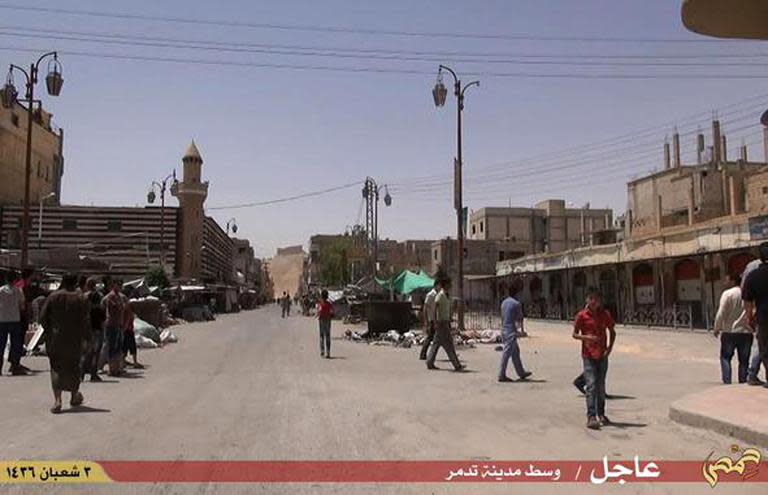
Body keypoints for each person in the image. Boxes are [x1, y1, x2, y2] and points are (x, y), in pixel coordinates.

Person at [39, 273, 90, 414]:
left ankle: (58, 400)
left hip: (56, 338)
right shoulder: (81, 299)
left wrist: (50, 330)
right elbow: (86, 321)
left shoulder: (53, 296)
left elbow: (42, 317)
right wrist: (87, 339)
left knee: (56, 367)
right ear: (76, 283)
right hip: (75, 339)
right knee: (74, 366)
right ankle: (74, 396)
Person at [573, 288, 616, 430]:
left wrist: (610, 348)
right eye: (591, 298)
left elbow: (612, 331)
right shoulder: (581, 316)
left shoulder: (605, 314)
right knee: (591, 385)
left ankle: (601, 413)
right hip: (588, 355)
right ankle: (591, 416)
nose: (593, 301)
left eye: (596, 298)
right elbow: (574, 334)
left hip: (602, 355)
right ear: (587, 299)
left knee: (601, 386)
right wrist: (587, 338)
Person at [714, 273, 752, 384]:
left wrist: (717, 327)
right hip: (746, 331)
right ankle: (743, 382)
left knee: (725, 357)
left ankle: (727, 382)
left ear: (732, 281)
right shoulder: (747, 293)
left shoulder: (727, 294)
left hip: (729, 331)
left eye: (727, 280)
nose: (725, 283)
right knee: (744, 361)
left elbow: (721, 312)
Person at [742, 242, 768, 389]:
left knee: (764, 347)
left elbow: (747, 299)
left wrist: (749, 317)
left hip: (763, 317)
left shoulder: (753, 275)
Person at [426, 278, 465, 371]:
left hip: (445, 322)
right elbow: (435, 308)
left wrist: (450, 318)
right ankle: (457, 365)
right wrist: (435, 321)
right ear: (445, 285)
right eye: (449, 284)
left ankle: (430, 362)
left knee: (436, 344)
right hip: (441, 323)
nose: (450, 286)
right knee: (449, 344)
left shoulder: (447, 295)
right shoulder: (440, 295)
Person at [498, 279, 533, 382]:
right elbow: (520, 319)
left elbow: (503, 317)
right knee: (507, 353)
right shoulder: (516, 304)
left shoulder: (504, 302)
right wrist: (521, 332)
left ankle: (521, 372)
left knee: (515, 352)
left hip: (504, 329)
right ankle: (501, 374)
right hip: (511, 331)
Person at [0, 272, 26, 376]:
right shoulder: (18, 290)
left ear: (6, 280)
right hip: (15, 319)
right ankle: (15, 367)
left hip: (2, 320)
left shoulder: (1, 290)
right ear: (15, 280)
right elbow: (22, 306)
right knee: (15, 344)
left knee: (1, 344)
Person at [81, 277, 105, 382]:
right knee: (96, 352)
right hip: (97, 326)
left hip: (86, 327)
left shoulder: (83, 297)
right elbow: (102, 312)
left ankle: (81, 374)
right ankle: (93, 374)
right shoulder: (99, 296)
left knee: (85, 351)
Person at [11, 268, 34, 374]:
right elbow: (23, 303)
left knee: (18, 340)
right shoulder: (22, 286)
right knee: (18, 341)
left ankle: (15, 362)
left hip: (19, 316)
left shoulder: (23, 285)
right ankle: (15, 363)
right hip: (20, 317)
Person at [101, 278, 125, 377]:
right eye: (118, 284)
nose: (119, 286)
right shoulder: (111, 296)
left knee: (118, 347)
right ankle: (112, 369)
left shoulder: (119, 296)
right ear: (113, 285)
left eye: (120, 285)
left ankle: (117, 368)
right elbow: (113, 308)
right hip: (111, 324)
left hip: (118, 324)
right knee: (112, 347)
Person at [122, 289, 143, 369]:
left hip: (126, 328)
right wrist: (126, 326)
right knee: (131, 345)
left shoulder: (124, 304)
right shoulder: (128, 304)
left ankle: (124, 361)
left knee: (125, 346)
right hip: (128, 328)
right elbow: (128, 316)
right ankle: (134, 362)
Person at [419, 281, 438, 361]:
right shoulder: (430, 295)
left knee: (435, 338)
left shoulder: (438, 295)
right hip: (431, 319)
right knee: (430, 337)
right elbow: (425, 308)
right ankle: (423, 354)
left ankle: (425, 354)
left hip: (436, 319)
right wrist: (426, 320)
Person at [317, 289, 334, 358]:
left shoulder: (320, 304)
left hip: (321, 321)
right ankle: (328, 352)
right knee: (327, 336)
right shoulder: (329, 304)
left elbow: (319, 312)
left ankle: (322, 351)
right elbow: (332, 312)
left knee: (321, 336)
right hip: (328, 320)